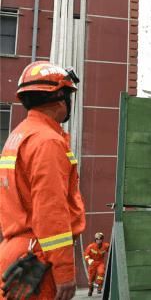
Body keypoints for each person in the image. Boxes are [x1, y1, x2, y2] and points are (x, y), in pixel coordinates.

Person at [0, 61, 86, 300]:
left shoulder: (19, 135)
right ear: (60, 97)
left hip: (17, 256)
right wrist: (64, 271)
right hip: (39, 260)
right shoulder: (47, 141)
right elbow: (51, 212)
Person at [83, 232, 109, 296]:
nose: (98, 240)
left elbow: (111, 249)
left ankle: (99, 287)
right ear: (95, 239)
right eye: (97, 239)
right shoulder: (91, 246)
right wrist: (88, 259)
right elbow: (86, 254)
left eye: (100, 239)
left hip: (100, 262)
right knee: (91, 279)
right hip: (92, 264)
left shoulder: (106, 246)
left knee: (101, 272)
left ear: (102, 239)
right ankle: (90, 289)